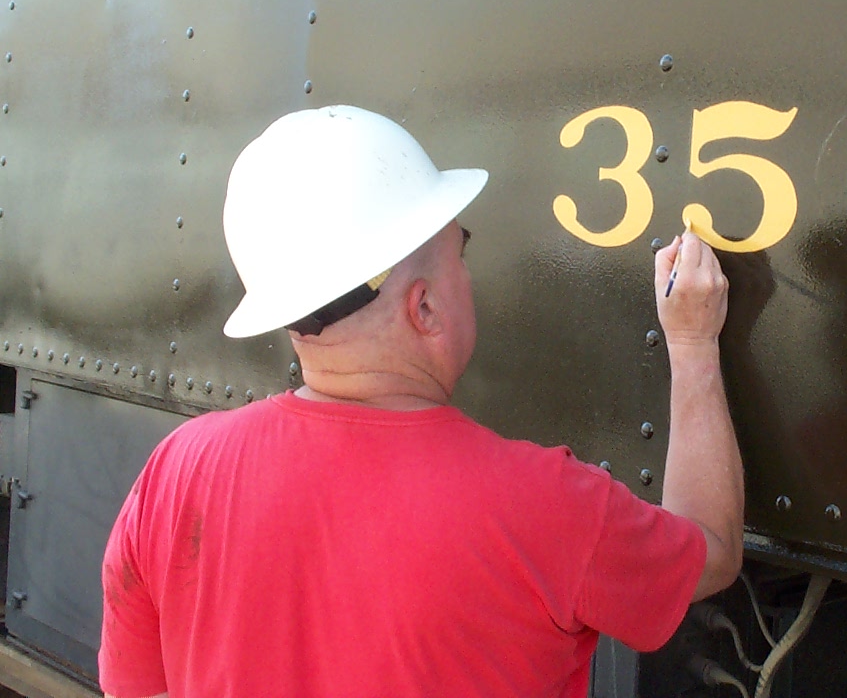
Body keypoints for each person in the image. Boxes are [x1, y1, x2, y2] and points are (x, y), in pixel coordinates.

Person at [98, 105, 743, 698]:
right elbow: (711, 552)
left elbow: (136, 688)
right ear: (425, 307)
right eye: (461, 251)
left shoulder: (176, 470)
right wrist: (692, 344)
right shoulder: (545, 504)